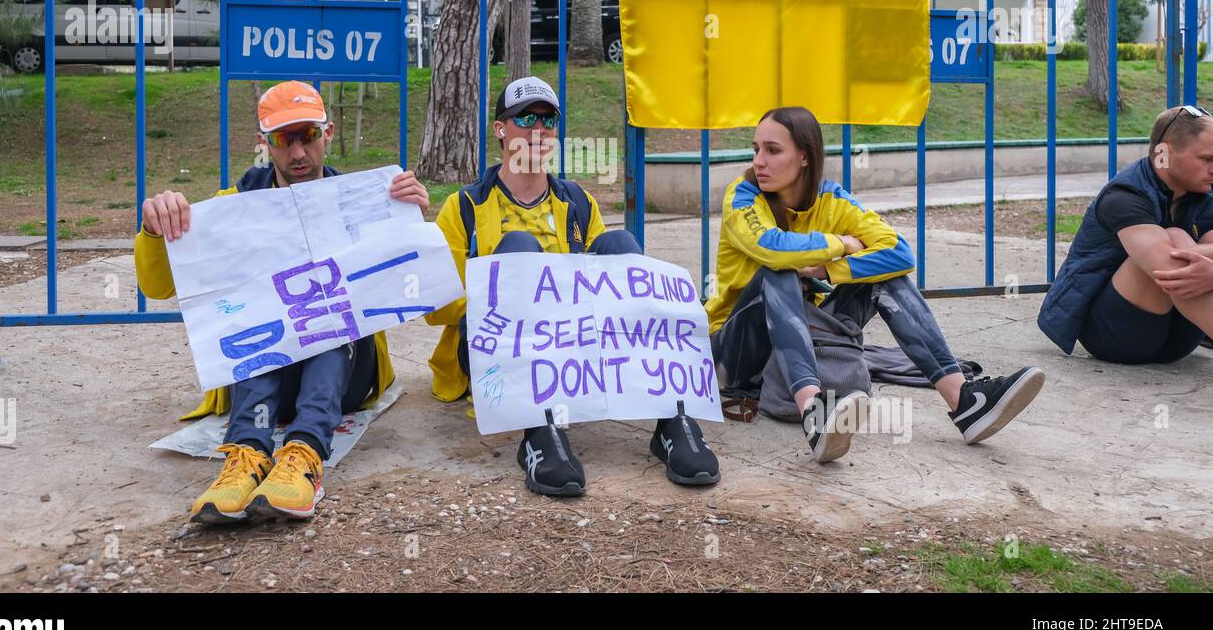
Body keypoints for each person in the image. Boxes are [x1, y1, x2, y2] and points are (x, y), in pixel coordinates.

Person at [135, 80, 428, 524]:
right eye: (282, 139)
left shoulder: (362, 200)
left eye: (307, 136)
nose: (297, 154)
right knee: (258, 316)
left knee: (325, 309)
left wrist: (413, 223)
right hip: (268, 376)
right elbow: (157, 289)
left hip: (345, 371)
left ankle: (307, 455)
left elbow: (417, 285)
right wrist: (156, 230)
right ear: (263, 144)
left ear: (327, 134)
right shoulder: (231, 208)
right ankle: (247, 456)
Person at [426, 76, 720, 496]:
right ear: (500, 130)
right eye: (525, 118)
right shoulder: (466, 206)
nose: (538, 130)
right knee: (518, 249)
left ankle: (671, 420)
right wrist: (500, 292)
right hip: (499, 356)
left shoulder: (578, 203)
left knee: (620, 244)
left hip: (573, 350)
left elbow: (614, 287)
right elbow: (434, 308)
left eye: (548, 120)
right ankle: (538, 432)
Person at [704, 106, 1045, 463]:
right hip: (734, 356)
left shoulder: (832, 199)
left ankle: (964, 401)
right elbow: (772, 249)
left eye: (773, 150)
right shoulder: (742, 196)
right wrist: (841, 245)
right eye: (756, 149)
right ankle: (813, 411)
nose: (759, 161)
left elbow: (900, 253)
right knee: (780, 270)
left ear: (804, 156)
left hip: (795, 341)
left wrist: (829, 271)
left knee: (886, 277)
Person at [1039, 104, 1213, 364]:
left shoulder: (1204, 194)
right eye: (1207, 159)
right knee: (1176, 240)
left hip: (1178, 340)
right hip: (1117, 336)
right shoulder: (1125, 195)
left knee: (1182, 242)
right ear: (1164, 153)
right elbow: (1168, 265)